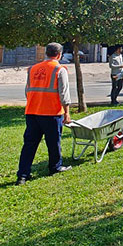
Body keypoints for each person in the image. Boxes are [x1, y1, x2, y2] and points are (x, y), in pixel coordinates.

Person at [16, 42, 72, 185]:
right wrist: (67, 113)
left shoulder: (32, 69)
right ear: (59, 55)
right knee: (54, 143)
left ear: (46, 53)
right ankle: (55, 167)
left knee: (29, 144)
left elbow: (27, 91)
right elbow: (64, 94)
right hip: (51, 113)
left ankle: (23, 175)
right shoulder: (60, 69)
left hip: (32, 112)